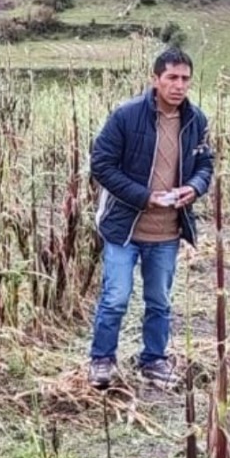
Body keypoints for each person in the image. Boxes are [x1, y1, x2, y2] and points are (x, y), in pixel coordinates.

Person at [88, 46, 213, 388]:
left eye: (185, 79)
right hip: (124, 229)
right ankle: (101, 360)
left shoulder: (196, 120)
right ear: (155, 79)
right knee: (115, 298)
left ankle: (154, 360)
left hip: (167, 232)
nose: (179, 85)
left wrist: (194, 188)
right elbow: (101, 165)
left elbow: (205, 165)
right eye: (171, 77)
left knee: (159, 300)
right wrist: (145, 197)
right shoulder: (126, 116)